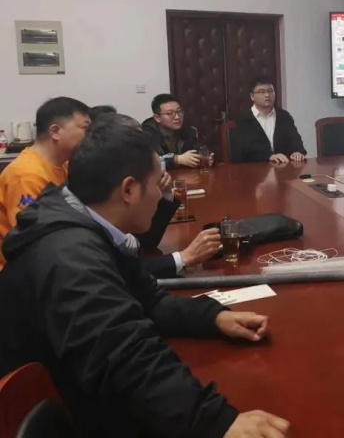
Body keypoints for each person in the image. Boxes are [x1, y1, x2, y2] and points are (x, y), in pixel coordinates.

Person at [0, 122, 289, 438]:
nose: (160, 195)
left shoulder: (87, 223)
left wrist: (214, 317)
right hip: (63, 414)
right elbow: (122, 355)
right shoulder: (70, 255)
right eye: (157, 184)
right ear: (128, 190)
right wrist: (215, 422)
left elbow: (147, 300)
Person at [92, 112, 221, 279]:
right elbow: (120, 272)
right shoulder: (96, 208)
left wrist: (165, 194)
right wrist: (183, 257)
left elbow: (145, 242)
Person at [0, 97, 91, 256]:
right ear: (55, 132)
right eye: (84, 128)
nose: (89, 136)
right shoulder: (27, 174)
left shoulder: (64, 164)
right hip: (19, 263)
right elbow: (28, 236)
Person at [230, 76, 306, 164]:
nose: (267, 95)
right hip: (254, 169)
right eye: (261, 92)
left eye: (270, 91)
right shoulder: (243, 120)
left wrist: (297, 152)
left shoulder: (284, 116)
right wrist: (268, 156)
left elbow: (295, 139)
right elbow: (240, 151)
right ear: (252, 96)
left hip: (283, 167)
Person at [142, 93, 203, 169]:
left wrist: (202, 158)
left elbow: (196, 151)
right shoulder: (146, 135)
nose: (177, 117)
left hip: (184, 175)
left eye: (179, 112)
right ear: (157, 118)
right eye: (170, 113)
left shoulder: (188, 131)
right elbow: (145, 162)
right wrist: (176, 160)